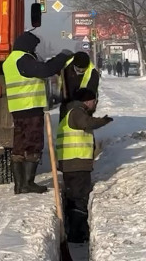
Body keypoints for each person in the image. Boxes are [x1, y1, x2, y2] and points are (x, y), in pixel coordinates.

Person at [3, 31, 73, 194]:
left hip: (17, 108)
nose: (35, 50)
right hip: (30, 107)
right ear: (28, 46)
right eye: (34, 47)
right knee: (34, 143)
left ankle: (19, 185)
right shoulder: (23, 59)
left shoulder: (10, 61)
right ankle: (27, 183)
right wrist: (62, 57)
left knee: (19, 145)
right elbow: (46, 70)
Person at [56, 88, 113, 243]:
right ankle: (76, 234)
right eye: (94, 101)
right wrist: (103, 121)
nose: (95, 104)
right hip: (76, 163)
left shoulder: (72, 112)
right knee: (79, 198)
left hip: (74, 163)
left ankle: (75, 231)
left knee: (76, 197)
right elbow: (87, 123)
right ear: (88, 101)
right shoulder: (77, 112)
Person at [59, 51, 100, 120]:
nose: (80, 71)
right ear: (74, 65)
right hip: (66, 101)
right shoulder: (66, 66)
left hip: (84, 103)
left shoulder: (93, 74)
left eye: (83, 70)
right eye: (78, 69)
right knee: (64, 124)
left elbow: (91, 93)